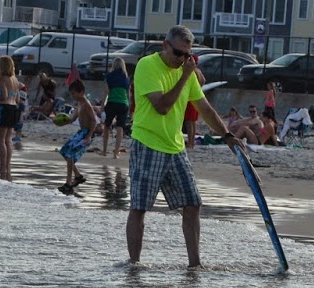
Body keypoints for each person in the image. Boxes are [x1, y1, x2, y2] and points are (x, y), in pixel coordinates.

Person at [124, 26, 238, 268]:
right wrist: (186, 76)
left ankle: (195, 264)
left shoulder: (187, 71)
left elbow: (205, 109)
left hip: (175, 147)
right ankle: (134, 264)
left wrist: (227, 135)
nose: (183, 59)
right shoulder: (147, 66)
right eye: (178, 53)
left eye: (188, 55)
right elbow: (162, 106)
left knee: (193, 203)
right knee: (140, 207)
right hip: (148, 143)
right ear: (165, 46)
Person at [58, 78, 99, 193]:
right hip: (81, 132)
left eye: (74, 93)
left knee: (69, 154)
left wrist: (89, 136)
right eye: (72, 93)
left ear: (81, 92)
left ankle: (68, 184)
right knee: (64, 151)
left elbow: (94, 121)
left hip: (86, 133)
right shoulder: (79, 103)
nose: (73, 96)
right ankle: (77, 176)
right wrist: (61, 121)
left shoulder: (86, 104)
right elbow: (72, 118)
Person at [0, 55, 25, 179]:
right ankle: (7, 166)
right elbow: (17, 98)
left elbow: (4, 96)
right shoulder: (15, 80)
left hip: (4, 108)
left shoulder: (3, 79)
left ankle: (2, 167)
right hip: (14, 109)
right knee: (8, 140)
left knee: (0, 140)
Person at [100, 57, 131, 156]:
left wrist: (102, 105)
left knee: (107, 126)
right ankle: (116, 153)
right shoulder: (126, 78)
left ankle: (104, 151)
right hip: (123, 104)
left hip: (112, 102)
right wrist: (129, 104)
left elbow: (106, 92)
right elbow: (128, 94)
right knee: (120, 127)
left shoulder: (109, 76)